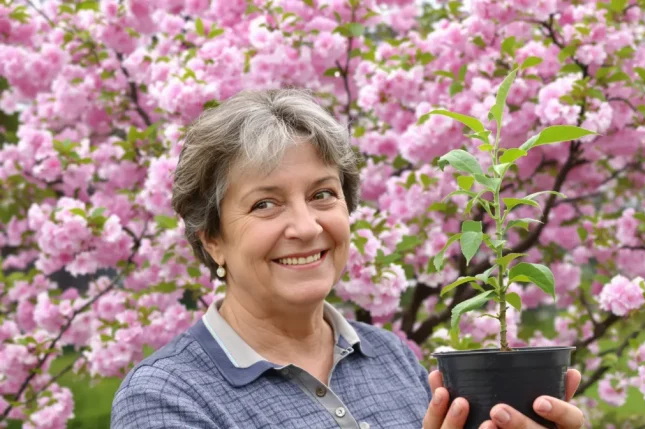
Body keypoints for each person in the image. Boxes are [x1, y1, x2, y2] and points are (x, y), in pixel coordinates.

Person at [110, 89, 586, 429]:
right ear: (212, 238)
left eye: (322, 194)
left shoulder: (388, 356)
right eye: (265, 204)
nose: (306, 227)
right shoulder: (167, 397)